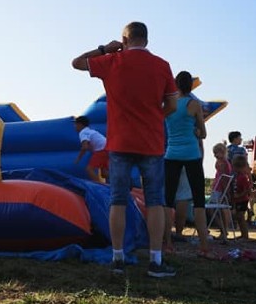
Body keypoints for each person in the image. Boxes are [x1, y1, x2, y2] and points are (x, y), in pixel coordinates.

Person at [72, 21, 178, 278]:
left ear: (124, 39)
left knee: (117, 200)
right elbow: (172, 105)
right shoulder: (162, 66)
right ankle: (155, 260)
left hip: (119, 142)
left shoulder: (112, 61)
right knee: (154, 201)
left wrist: (104, 49)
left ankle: (117, 257)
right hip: (151, 142)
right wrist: (154, 117)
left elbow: (76, 62)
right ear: (147, 40)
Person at [163, 71, 212, 256]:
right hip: (192, 154)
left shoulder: (169, 104)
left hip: (172, 154)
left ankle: (168, 243)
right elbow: (203, 133)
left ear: (175, 85)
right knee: (199, 201)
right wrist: (196, 132)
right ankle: (204, 246)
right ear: (190, 86)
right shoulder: (194, 105)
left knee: (168, 201)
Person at [208, 142, 234, 243]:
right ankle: (223, 230)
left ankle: (223, 229)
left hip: (219, 189)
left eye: (216, 153)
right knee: (219, 210)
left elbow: (223, 179)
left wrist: (225, 192)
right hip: (218, 188)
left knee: (211, 209)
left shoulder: (222, 163)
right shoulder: (224, 162)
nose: (215, 155)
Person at [73, 116, 108, 183]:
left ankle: (100, 187)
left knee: (89, 169)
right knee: (104, 173)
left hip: (102, 150)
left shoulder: (83, 132)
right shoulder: (91, 131)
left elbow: (84, 147)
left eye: (75, 124)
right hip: (108, 148)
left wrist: (78, 159)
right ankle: (123, 182)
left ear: (80, 124)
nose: (75, 126)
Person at [230, 154, 252, 240]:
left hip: (242, 200)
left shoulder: (242, 177)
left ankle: (245, 235)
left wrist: (239, 195)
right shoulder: (237, 176)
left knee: (241, 217)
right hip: (237, 200)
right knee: (238, 218)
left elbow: (247, 189)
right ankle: (243, 234)